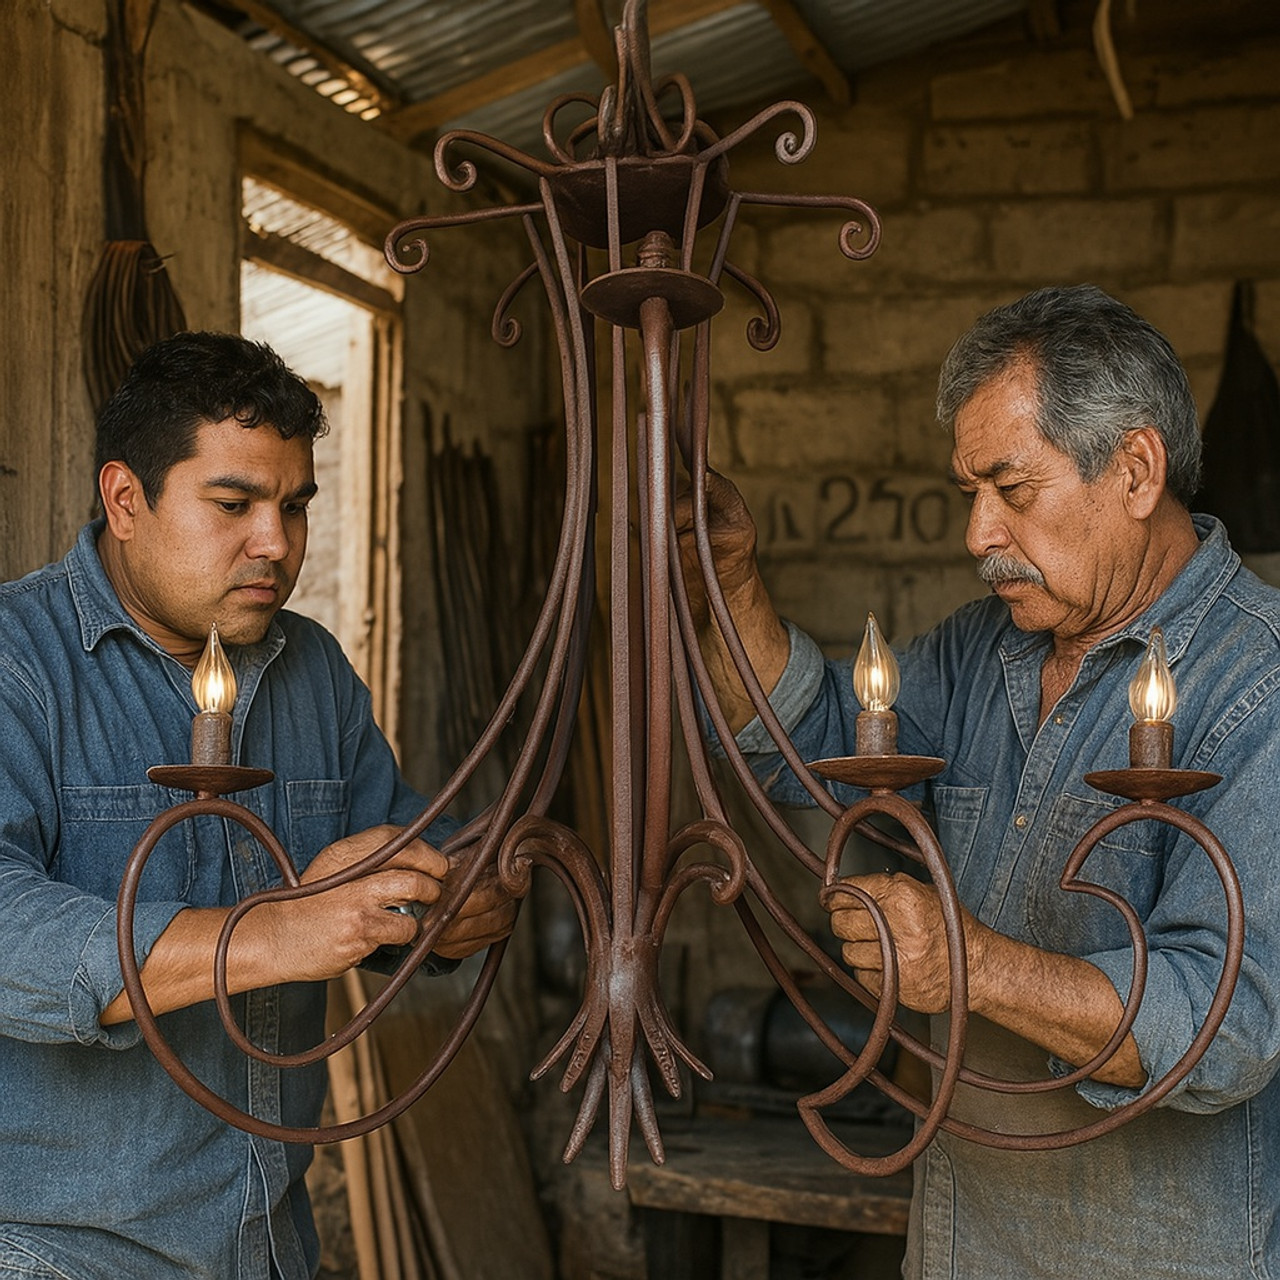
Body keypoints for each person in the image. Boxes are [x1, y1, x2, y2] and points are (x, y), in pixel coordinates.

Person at [680, 285, 1280, 1277]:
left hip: (1162, 1252)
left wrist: (971, 966)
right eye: (968, 492)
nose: (976, 535)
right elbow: (819, 750)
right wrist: (735, 582)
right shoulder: (978, 651)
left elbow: (1226, 1028)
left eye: (1010, 489)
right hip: (964, 1242)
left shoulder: (1256, 681)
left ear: (1133, 470)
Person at [0, 332, 513, 1279]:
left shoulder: (310, 667)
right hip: (58, 1253)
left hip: (268, 1238)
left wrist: (448, 906)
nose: (275, 543)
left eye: (294, 506)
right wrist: (272, 936)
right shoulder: (18, 662)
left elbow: (398, 843)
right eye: (233, 503)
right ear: (125, 500)